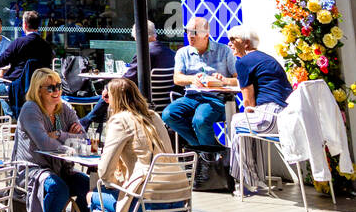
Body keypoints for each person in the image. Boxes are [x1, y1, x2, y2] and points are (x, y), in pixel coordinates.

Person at [91, 77, 188, 212]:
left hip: (148, 206)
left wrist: (120, 180)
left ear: (114, 99)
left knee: (94, 199)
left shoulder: (119, 120)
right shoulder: (154, 116)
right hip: (178, 207)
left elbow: (104, 172)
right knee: (125, 209)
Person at [15, 67, 91, 212]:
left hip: (60, 167)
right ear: (38, 90)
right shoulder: (30, 109)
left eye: (58, 86)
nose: (56, 91)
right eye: (50, 88)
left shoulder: (64, 108)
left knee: (88, 185)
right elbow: (43, 143)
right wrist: (67, 138)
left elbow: (84, 138)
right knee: (58, 189)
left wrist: (58, 133)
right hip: (33, 168)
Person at [162, 16, 237, 185]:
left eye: (194, 32)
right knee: (168, 114)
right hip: (192, 96)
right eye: (188, 32)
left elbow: (237, 80)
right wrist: (191, 79)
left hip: (216, 97)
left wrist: (223, 80)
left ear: (206, 34)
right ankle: (207, 153)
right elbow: (177, 78)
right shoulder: (183, 52)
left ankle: (207, 164)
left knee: (201, 120)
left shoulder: (224, 51)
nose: (190, 36)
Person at [223, 29, 292, 196]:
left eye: (233, 39)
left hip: (270, 116)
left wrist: (248, 110)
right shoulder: (266, 58)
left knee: (237, 122)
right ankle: (255, 179)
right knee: (247, 125)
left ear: (246, 43)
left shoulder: (244, 61)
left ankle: (246, 181)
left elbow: (248, 101)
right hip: (286, 116)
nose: (229, 43)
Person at [80, 22, 176, 130]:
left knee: (113, 89)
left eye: (135, 38)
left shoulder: (145, 53)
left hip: (145, 102)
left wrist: (108, 88)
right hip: (166, 102)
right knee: (112, 91)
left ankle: (89, 121)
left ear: (139, 37)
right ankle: (90, 120)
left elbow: (128, 79)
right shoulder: (171, 53)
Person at [0, 9, 52, 84]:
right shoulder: (46, 46)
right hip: (38, 87)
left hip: (15, 86)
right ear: (38, 25)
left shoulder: (18, 42)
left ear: (25, 25)